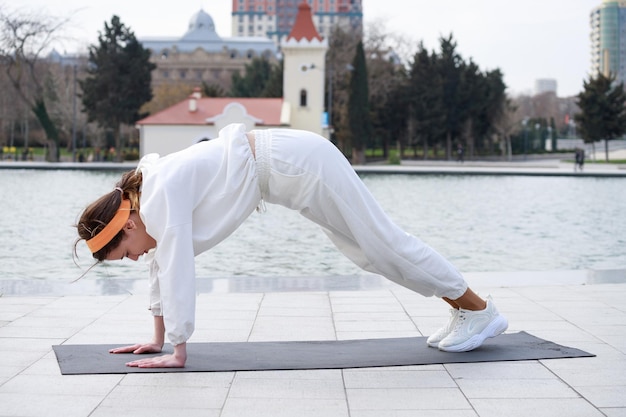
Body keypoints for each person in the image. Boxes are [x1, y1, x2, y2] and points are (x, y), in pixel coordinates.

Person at [74, 123, 508, 368]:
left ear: (127, 223)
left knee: (384, 245)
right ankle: (464, 308)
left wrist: (178, 350)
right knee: (368, 253)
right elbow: (162, 268)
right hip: (293, 169)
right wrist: (157, 339)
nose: (137, 257)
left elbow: (175, 268)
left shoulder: (158, 196)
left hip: (299, 163)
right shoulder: (149, 199)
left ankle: (478, 311)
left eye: (127, 252)